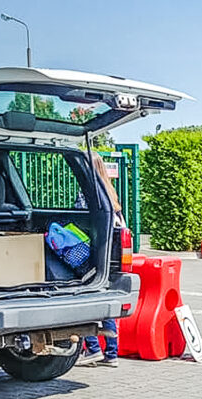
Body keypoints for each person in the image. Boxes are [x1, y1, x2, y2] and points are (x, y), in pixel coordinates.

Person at [77, 152, 125, 368]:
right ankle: (112, 354)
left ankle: (93, 349)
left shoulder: (87, 193)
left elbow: (80, 221)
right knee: (106, 304)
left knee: (82, 299)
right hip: (108, 257)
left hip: (89, 253)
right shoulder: (110, 193)